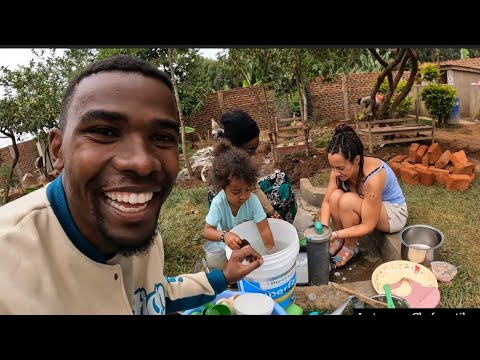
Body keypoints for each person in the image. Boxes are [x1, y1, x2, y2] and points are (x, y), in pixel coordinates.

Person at [0, 54, 263, 315]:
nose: (141, 163)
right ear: (58, 151)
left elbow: (155, 295)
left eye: (161, 137)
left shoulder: (144, 234)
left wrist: (223, 276)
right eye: (104, 132)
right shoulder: (8, 270)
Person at [320, 124, 408, 270]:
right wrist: (324, 230)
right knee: (335, 197)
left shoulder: (372, 179)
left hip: (393, 214)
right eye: (332, 167)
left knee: (347, 201)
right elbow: (326, 203)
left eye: (340, 168)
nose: (335, 172)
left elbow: (368, 225)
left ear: (357, 160)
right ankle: (339, 241)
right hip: (369, 205)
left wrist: (335, 233)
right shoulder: (338, 172)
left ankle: (350, 247)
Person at [207, 110, 297, 224]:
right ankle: (271, 224)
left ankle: (279, 224)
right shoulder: (227, 167)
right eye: (250, 149)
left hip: (244, 193)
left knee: (281, 176)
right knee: (281, 192)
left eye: (256, 147)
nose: (254, 153)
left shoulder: (238, 157)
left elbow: (253, 186)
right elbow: (250, 190)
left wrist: (272, 213)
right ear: (235, 145)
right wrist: (272, 212)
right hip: (236, 210)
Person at [203, 140, 276, 254]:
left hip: (249, 243)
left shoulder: (252, 201)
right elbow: (207, 231)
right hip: (227, 248)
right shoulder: (219, 203)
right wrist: (224, 236)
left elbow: (264, 230)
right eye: (236, 192)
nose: (243, 196)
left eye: (247, 189)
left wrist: (272, 253)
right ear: (223, 187)